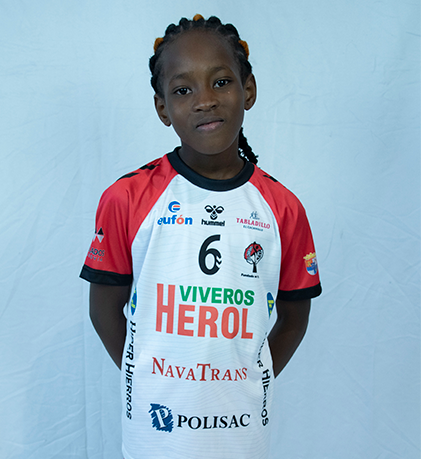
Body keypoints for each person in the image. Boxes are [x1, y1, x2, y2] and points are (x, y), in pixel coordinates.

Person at [80, 14, 322, 459]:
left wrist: (250, 381)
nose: (205, 101)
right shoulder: (126, 199)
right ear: (162, 108)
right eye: (183, 90)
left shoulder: (283, 209)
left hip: (242, 436)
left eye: (221, 82)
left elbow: (294, 318)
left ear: (248, 90)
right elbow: (104, 310)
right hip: (154, 434)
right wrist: (147, 379)